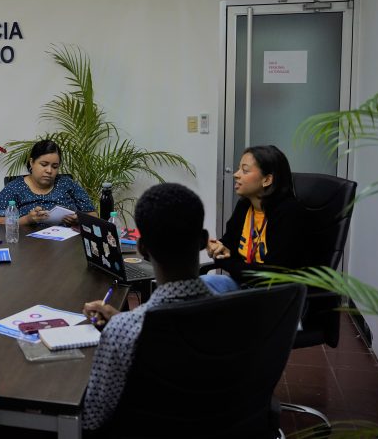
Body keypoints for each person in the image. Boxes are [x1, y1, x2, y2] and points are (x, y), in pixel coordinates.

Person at [81, 183, 238, 431]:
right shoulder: (231, 295)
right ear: (202, 241)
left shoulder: (125, 330)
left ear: (142, 249)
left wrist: (121, 324)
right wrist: (123, 320)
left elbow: (92, 418)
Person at [206, 145, 310, 278]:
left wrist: (227, 262)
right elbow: (228, 245)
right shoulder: (245, 205)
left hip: (273, 293)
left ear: (266, 180)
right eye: (239, 169)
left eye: (245, 170)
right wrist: (218, 248)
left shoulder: (289, 213)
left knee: (200, 289)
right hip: (242, 285)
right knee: (196, 286)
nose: (236, 174)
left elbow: (273, 273)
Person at [0, 139, 96, 225]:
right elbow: (0, 223)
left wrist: (79, 219)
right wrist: (27, 220)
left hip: (66, 244)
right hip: (28, 246)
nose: (49, 171)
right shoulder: (14, 188)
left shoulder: (67, 184)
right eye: (44, 164)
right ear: (32, 162)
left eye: (55, 166)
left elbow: (93, 215)